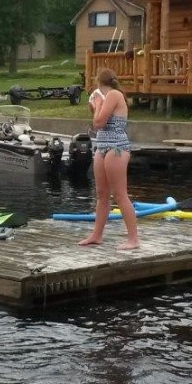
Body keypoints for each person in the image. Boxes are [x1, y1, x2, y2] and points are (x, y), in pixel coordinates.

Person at [78, 68, 140, 250]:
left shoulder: (113, 94)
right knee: (101, 194)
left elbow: (99, 122)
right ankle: (96, 235)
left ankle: (133, 238)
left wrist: (97, 104)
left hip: (116, 147)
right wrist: (94, 106)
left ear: (99, 83)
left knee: (120, 194)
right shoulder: (104, 98)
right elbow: (98, 124)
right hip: (102, 145)